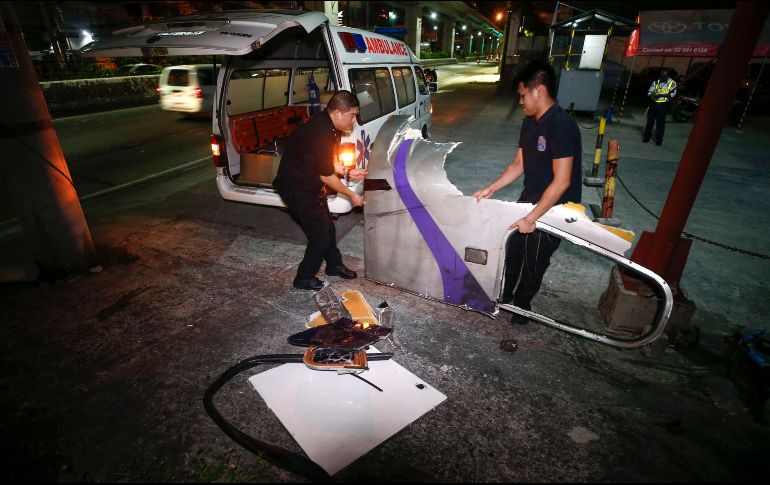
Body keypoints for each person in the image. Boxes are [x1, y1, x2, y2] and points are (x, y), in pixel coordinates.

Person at [473, 60, 582, 325]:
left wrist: (532, 219)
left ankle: (522, 308)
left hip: (557, 207)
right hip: (530, 199)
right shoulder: (530, 123)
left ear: (539, 91)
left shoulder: (561, 125)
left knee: (535, 259)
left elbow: (562, 182)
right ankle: (504, 297)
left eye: (523, 95)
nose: (520, 101)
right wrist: (491, 188)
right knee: (512, 250)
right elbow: (518, 164)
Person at [273, 90, 367, 291]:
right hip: (296, 189)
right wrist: (352, 195)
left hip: (309, 185)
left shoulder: (328, 126)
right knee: (320, 235)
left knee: (328, 228)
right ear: (337, 113)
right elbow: (326, 176)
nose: (354, 120)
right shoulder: (320, 131)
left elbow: (326, 162)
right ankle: (304, 277)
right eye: (352, 115)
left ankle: (334, 266)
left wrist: (348, 171)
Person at [643, 69, 677, 146]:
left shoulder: (672, 83)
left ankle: (659, 140)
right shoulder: (656, 82)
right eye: (661, 76)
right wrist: (656, 95)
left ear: (668, 76)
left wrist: (660, 95)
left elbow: (671, 96)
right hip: (653, 104)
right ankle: (646, 137)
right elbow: (649, 93)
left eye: (664, 76)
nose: (662, 78)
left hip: (663, 106)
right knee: (650, 122)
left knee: (660, 123)